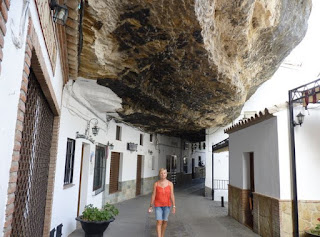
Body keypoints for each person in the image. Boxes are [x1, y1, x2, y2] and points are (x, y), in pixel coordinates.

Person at [148, 168, 176, 237]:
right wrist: (151, 205)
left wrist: (174, 206)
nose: (163, 174)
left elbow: (172, 195)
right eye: (161, 173)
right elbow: (153, 194)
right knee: (159, 221)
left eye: (164, 173)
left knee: (165, 221)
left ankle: (162, 235)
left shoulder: (170, 184)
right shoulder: (156, 184)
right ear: (159, 174)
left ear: (166, 174)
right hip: (158, 205)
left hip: (167, 205)